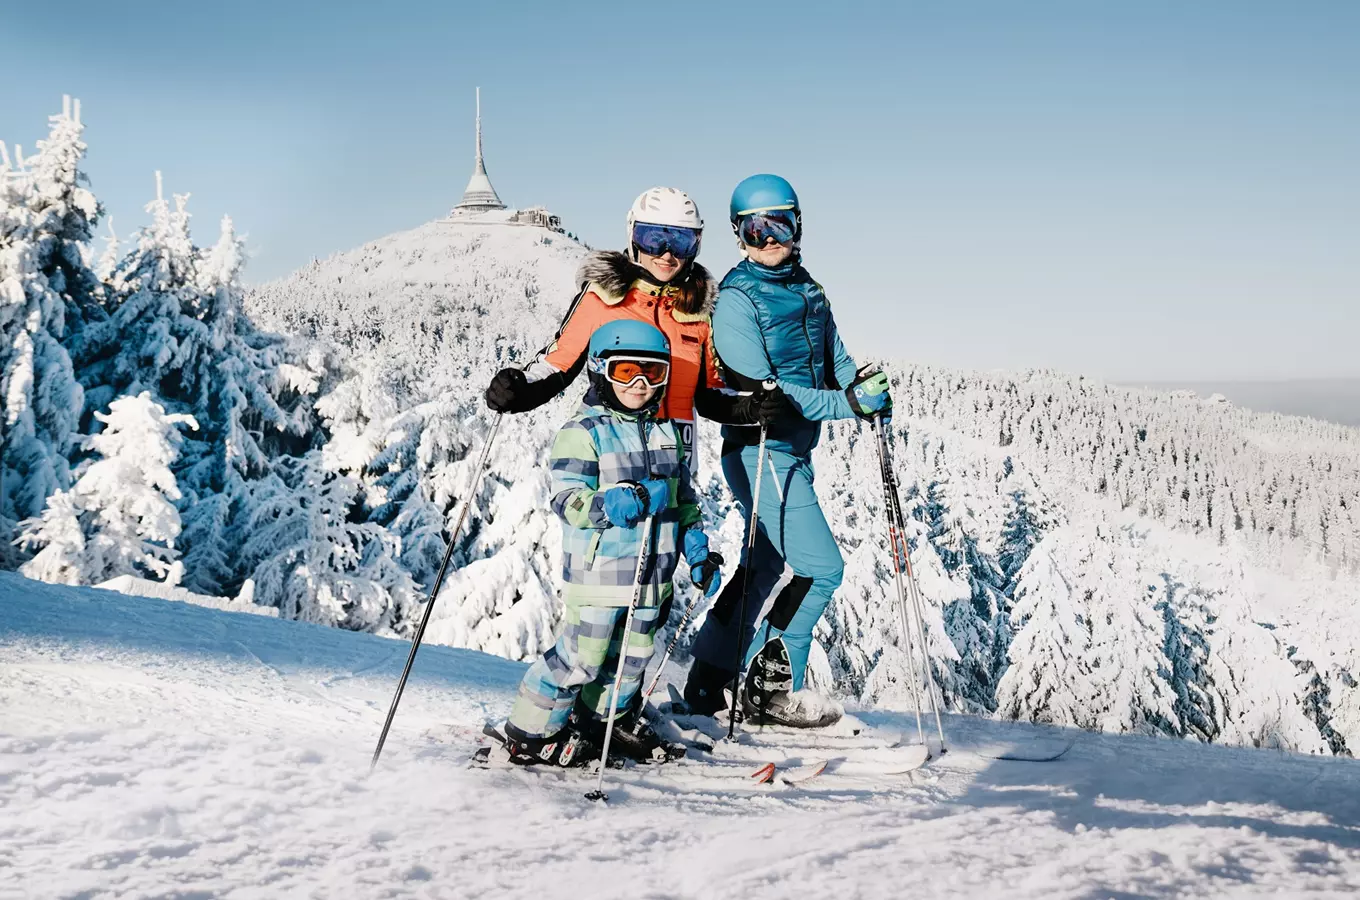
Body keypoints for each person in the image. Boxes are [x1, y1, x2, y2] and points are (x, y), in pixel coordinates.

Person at [682, 174, 892, 728]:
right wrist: (848, 405)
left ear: (799, 225)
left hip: (792, 452)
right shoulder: (736, 300)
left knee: (765, 563)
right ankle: (769, 691)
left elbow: (835, 361)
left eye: (779, 223)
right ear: (738, 235)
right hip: (760, 449)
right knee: (822, 568)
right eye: (754, 228)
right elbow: (768, 391)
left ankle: (707, 678)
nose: (768, 237)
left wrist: (863, 387)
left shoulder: (809, 290)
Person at [492, 320, 724, 766]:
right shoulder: (584, 430)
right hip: (599, 575)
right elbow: (568, 501)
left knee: (631, 660)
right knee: (581, 657)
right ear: (601, 371)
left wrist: (697, 551)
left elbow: (685, 503)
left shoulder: (667, 433)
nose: (639, 384)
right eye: (625, 373)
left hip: (652, 578)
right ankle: (531, 731)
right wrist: (622, 501)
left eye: (652, 374)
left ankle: (603, 722)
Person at [484, 187, 789, 458]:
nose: (667, 255)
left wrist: (753, 407)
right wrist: (519, 390)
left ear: (695, 245)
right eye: (654, 239)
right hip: (613, 460)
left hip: (675, 462)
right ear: (634, 237)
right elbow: (557, 366)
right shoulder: (603, 296)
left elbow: (710, 395)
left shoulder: (699, 311)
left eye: (681, 242)